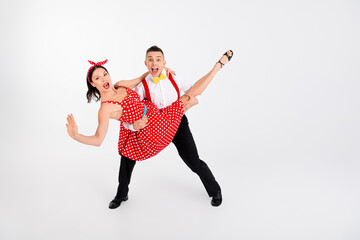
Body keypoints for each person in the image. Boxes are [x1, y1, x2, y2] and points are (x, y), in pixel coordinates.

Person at [66, 49, 233, 207]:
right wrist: (76, 135)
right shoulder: (105, 109)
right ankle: (121, 194)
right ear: (92, 83)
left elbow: (140, 77)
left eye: (104, 74)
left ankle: (215, 190)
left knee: (193, 159)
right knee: (126, 157)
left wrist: (159, 69)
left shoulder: (122, 84)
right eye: (97, 78)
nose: (103, 79)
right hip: (149, 128)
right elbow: (98, 140)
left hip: (166, 116)